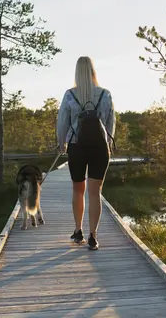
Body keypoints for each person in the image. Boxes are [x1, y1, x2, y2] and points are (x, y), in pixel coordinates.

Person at [56, 56, 115, 250]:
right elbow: (110, 123)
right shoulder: (105, 94)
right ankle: (93, 236)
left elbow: (63, 121)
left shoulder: (70, 95)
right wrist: (107, 142)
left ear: (77, 72)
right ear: (93, 71)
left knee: (78, 190)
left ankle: (78, 230)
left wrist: (61, 142)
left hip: (76, 146)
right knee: (95, 192)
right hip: (99, 147)